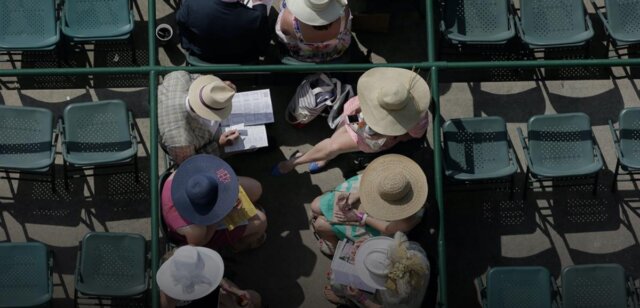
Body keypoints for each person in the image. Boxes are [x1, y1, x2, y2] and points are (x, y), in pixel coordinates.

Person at [273, 67, 430, 175]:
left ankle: (297, 162)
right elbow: (412, 135)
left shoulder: (416, 117)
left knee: (333, 145)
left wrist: (394, 134)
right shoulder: (399, 94)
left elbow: (411, 135)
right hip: (357, 115)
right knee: (334, 141)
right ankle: (322, 157)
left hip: (370, 133)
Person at [309, 154, 428, 256]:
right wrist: (357, 195)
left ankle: (333, 245)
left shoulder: (409, 218)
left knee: (320, 225)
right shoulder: (397, 180)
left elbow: (387, 228)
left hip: (377, 224)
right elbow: (377, 183)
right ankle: (327, 224)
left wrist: (360, 217)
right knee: (315, 206)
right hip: (367, 197)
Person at [162, 154, 267, 252]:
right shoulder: (195, 231)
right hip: (207, 229)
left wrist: (229, 191)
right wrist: (220, 215)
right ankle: (239, 244)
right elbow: (203, 242)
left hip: (204, 203)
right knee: (261, 221)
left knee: (256, 188)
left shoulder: (181, 175)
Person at [323, 232, 430, 307]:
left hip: (389, 302)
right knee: (336, 277)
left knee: (336, 282)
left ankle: (346, 301)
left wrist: (360, 298)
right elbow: (385, 256)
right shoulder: (413, 256)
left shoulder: (393, 296)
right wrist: (367, 246)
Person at [159, 71, 242, 164]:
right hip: (205, 141)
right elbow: (192, 163)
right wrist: (219, 144)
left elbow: (199, 78)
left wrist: (218, 85)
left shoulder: (178, 77)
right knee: (242, 142)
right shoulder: (182, 142)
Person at [158, 245, 262, 308]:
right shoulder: (170, 293)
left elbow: (221, 283)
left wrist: (235, 292)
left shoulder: (196, 259)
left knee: (254, 298)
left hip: (215, 299)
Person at [176, 0, 271, 64]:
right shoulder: (256, 17)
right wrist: (260, 5)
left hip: (202, 58)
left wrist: (188, 46)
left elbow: (181, 26)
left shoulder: (191, 6)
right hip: (241, 61)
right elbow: (263, 49)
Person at [275, 0, 352, 63]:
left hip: (303, 55)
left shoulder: (289, 20)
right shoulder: (344, 11)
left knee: (284, 4)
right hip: (334, 52)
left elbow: (284, 31)